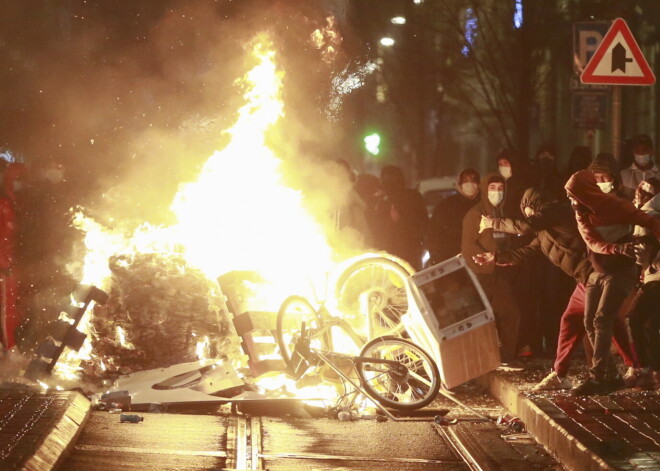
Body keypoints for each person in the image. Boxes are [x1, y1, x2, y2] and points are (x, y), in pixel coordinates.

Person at [473, 186, 640, 391]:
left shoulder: (556, 211)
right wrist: (495, 257)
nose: (526, 215)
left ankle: (619, 371)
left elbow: (525, 225)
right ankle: (561, 373)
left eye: (525, 209)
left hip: (595, 274)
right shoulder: (545, 231)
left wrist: (492, 223)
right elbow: (528, 251)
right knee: (574, 321)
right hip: (584, 279)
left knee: (603, 321)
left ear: (531, 205)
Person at [565, 169, 660, 395]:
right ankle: (611, 374)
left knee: (602, 319)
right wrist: (616, 247)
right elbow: (592, 241)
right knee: (589, 321)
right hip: (597, 271)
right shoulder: (581, 214)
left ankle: (599, 376)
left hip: (620, 271)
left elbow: (647, 220)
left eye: (574, 196)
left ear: (585, 193)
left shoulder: (615, 206)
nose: (571, 202)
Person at [461, 173, 521, 363]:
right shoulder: (475, 214)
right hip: (483, 274)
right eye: (493, 188)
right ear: (485, 190)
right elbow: (468, 245)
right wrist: (484, 260)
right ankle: (489, 358)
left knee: (509, 314)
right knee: (495, 316)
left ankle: (504, 356)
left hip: (501, 271)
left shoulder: (502, 212)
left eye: (500, 188)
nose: (497, 192)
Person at [626, 178, 660, 388]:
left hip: (655, 276)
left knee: (635, 317)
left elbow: (642, 254)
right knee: (651, 324)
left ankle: (646, 369)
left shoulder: (647, 215)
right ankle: (654, 371)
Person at [378, 165, 428, 270]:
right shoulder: (384, 201)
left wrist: (398, 221)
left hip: (410, 249)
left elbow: (422, 222)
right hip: (394, 250)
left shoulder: (412, 197)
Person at [426, 168, 480, 265]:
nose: (470, 184)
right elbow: (434, 233)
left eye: (473, 180)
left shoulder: (484, 204)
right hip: (453, 261)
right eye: (465, 181)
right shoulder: (446, 206)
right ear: (459, 184)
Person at [0, 163, 26, 350]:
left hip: (12, 261)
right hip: (4, 264)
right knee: (6, 309)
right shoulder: (3, 202)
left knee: (12, 308)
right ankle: (9, 348)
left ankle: (9, 345)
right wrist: (3, 262)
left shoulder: (12, 200)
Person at [620, 134, 660, 201]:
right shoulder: (624, 175)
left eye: (644, 151)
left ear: (651, 151)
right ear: (633, 152)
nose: (641, 154)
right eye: (638, 151)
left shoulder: (658, 173)